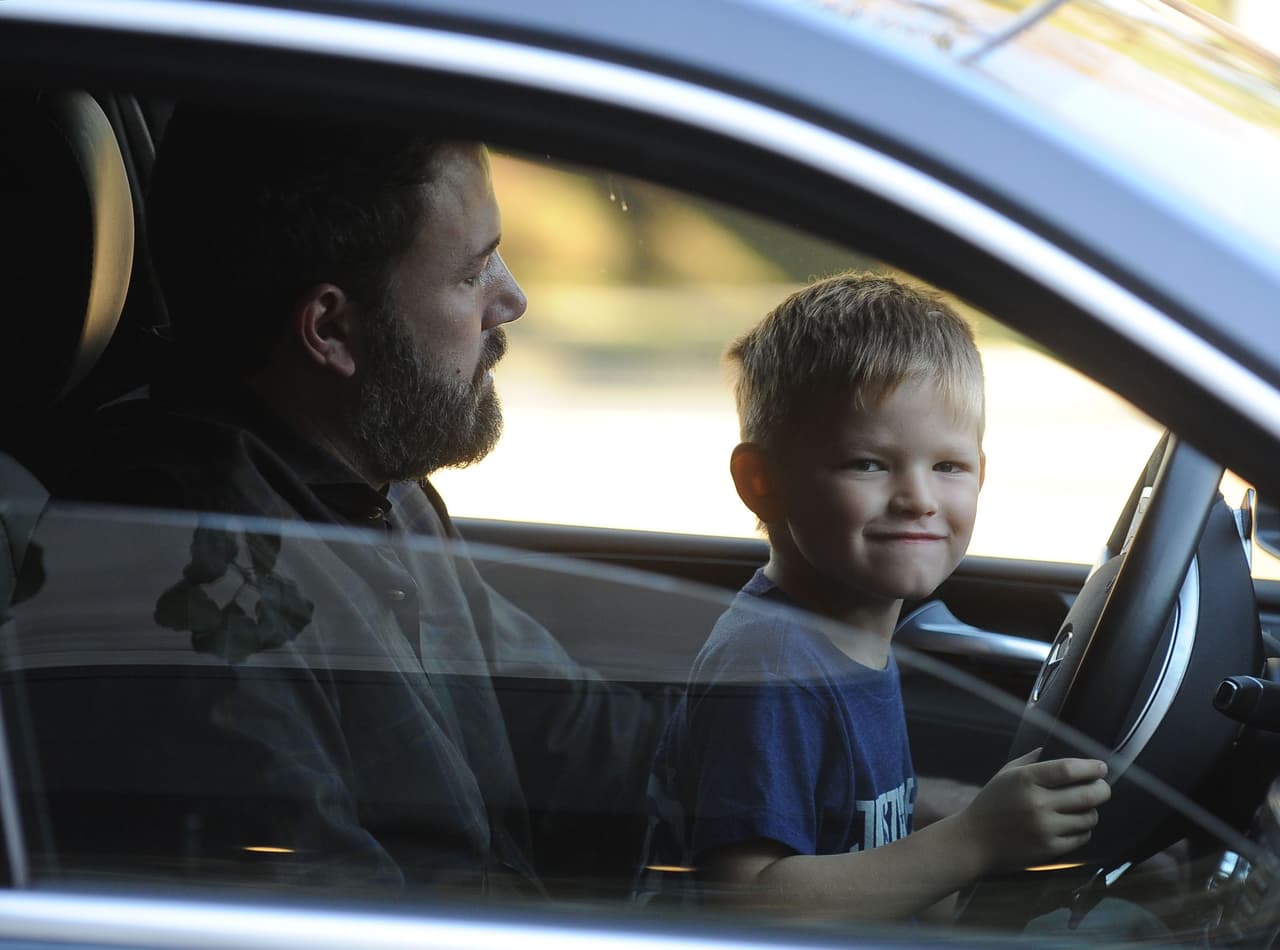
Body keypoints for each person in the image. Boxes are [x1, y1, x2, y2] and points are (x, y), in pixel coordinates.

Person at [50, 104, 664, 894]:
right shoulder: (195, 583)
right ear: (331, 330)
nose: (511, 300)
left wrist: (768, 790)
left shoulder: (382, 489)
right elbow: (320, 909)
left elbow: (583, 739)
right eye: (473, 271)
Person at [641, 273, 1111, 919]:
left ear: (980, 474)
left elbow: (850, 824)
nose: (918, 498)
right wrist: (975, 839)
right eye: (868, 463)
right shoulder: (771, 665)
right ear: (761, 482)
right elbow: (750, 902)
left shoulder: (849, 635)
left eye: (948, 466)